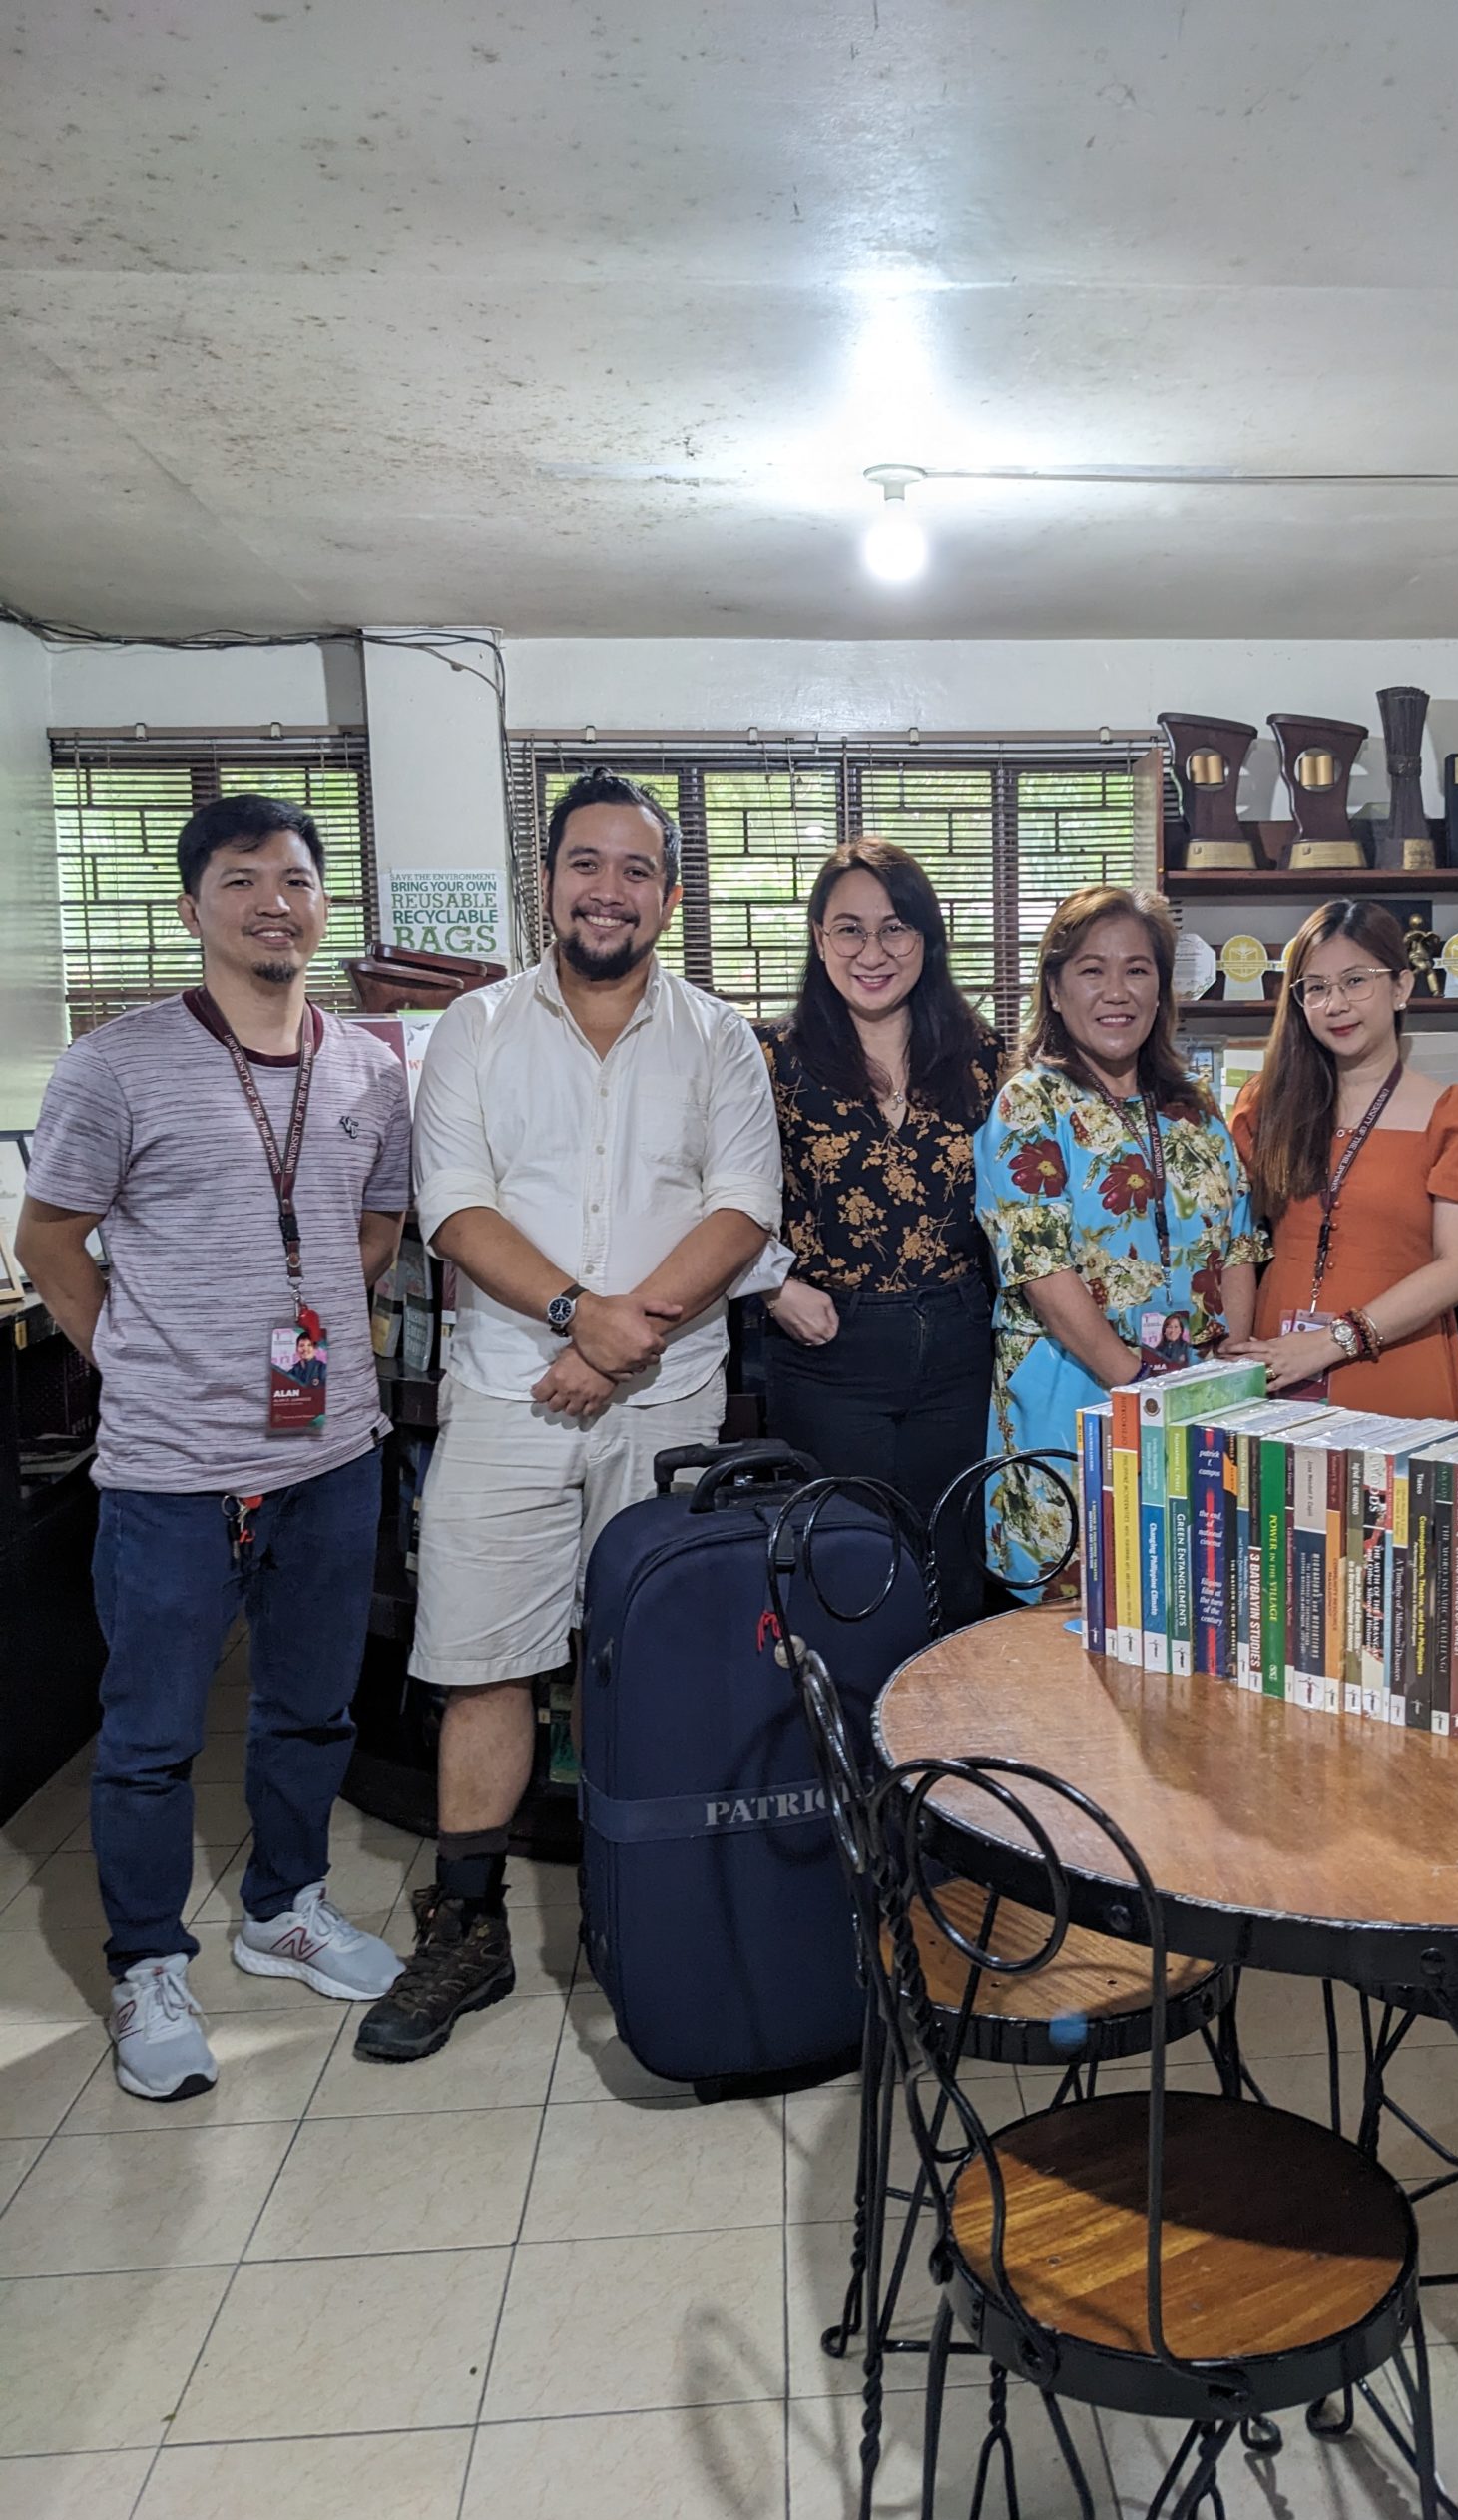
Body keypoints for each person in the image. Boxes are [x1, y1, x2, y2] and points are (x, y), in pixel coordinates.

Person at [354, 767, 781, 2063]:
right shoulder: (477, 1030)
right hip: (506, 1393)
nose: (610, 889)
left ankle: (632, 1900)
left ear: (669, 893)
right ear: (548, 882)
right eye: (586, 863)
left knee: (638, 1656)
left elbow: (741, 1207)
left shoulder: (721, 1039)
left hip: (666, 1403)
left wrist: (620, 1331)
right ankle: (468, 1927)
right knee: (487, 1656)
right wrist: (573, 1320)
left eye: (637, 869)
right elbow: (455, 1207)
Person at [16, 795, 411, 2102]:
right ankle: (145, 1965)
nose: (273, 903)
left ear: (320, 904)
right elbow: (50, 1245)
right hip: (170, 1474)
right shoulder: (117, 1063)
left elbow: (377, 1226)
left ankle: (285, 1907)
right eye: (241, 881)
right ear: (194, 907)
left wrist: (322, 1337)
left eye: (295, 880)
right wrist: (133, 1362)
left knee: (312, 1708)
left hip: (331, 1456)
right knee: (147, 1736)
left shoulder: (366, 1068)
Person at [973, 884, 1264, 1582]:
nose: (1117, 991)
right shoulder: (1028, 1103)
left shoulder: (1194, 1106)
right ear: (1055, 986)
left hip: (1197, 1401)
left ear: (1161, 989)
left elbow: (1239, 1246)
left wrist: (1227, 1381)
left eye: (1137, 969)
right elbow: (1042, 1271)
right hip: (1071, 1400)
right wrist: (1141, 1391)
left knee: (1197, 1606)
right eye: (1091, 969)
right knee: (1072, 1625)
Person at [757, 838, 1002, 1614]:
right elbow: (706, 1189)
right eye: (849, 929)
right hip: (830, 1350)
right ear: (819, 940)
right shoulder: (770, 1059)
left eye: (895, 928)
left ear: (927, 941)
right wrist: (769, 1285)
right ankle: (851, 1737)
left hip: (962, 1345)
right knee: (848, 1572)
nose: (873, 951)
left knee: (959, 1566)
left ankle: (945, 1736)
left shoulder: (984, 1057)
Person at [1228, 897, 1458, 1414]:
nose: (1335, 1004)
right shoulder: (1264, 1107)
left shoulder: (1452, 1115)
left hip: (1395, 1363)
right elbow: (1231, 1239)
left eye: (1356, 981)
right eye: (1316, 988)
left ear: (1401, 987)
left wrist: (1329, 1343)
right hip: (1276, 1361)